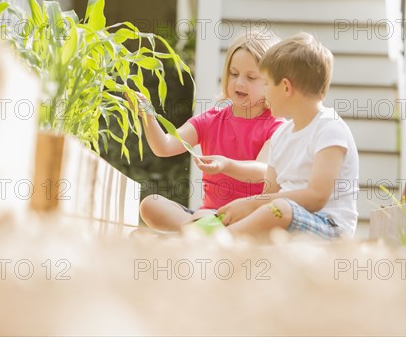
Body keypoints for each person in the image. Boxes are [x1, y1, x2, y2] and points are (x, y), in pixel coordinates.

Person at [131, 29, 284, 232]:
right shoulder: (210, 120)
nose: (239, 82)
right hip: (208, 214)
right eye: (234, 73)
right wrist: (148, 116)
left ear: (270, 83)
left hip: (247, 218)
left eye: (251, 77)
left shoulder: (275, 126)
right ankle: (205, 231)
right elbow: (164, 146)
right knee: (150, 204)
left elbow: (262, 171)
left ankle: (196, 232)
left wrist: (225, 165)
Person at [216, 32, 359, 239]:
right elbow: (270, 193)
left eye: (265, 84)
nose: (263, 92)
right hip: (285, 218)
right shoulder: (280, 135)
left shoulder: (330, 129)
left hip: (328, 226)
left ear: (285, 87)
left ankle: (219, 239)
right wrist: (247, 209)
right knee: (269, 210)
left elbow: (316, 197)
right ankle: (221, 231)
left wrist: (252, 203)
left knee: (278, 210)